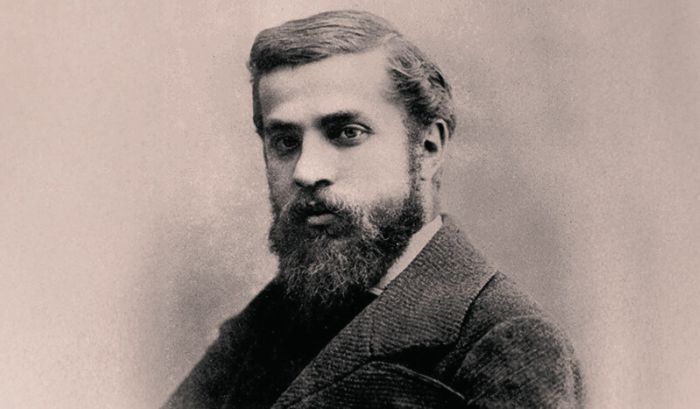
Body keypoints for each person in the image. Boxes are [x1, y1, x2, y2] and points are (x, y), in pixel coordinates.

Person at [163, 9, 584, 409]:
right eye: (285, 142)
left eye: (347, 133)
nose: (306, 171)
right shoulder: (278, 311)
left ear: (428, 147)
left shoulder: (505, 338)